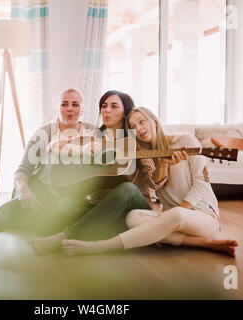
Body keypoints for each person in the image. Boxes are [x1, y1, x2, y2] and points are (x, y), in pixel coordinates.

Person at [60, 107, 238, 257]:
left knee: (175, 215)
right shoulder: (145, 155)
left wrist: (179, 209)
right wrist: (162, 165)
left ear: (153, 120)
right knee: (133, 217)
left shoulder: (185, 140)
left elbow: (202, 184)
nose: (139, 128)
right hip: (169, 216)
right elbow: (155, 187)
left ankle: (100, 247)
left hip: (202, 217)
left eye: (142, 121)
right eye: (133, 126)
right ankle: (203, 243)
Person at [29, 92, 188, 255]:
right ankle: (95, 231)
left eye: (113, 106)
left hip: (132, 208)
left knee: (127, 189)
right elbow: (52, 147)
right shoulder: (94, 137)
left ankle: (63, 237)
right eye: (104, 106)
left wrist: (161, 164)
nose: (106, 110)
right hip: (101, 207)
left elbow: (154, 184)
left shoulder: (135, 142)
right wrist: (80, 149)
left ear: (125, 112)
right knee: (65, 203)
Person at [0, 88, 98, 260]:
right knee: (35, 206)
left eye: (75, 104)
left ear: (82, 109)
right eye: (64, 104)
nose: (70, 109)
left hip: (67, 198)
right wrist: (23, 189)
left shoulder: (92, 133)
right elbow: (23, 169)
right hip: (39, 189)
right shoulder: (44, 133)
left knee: (49, 225)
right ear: (57, 108)